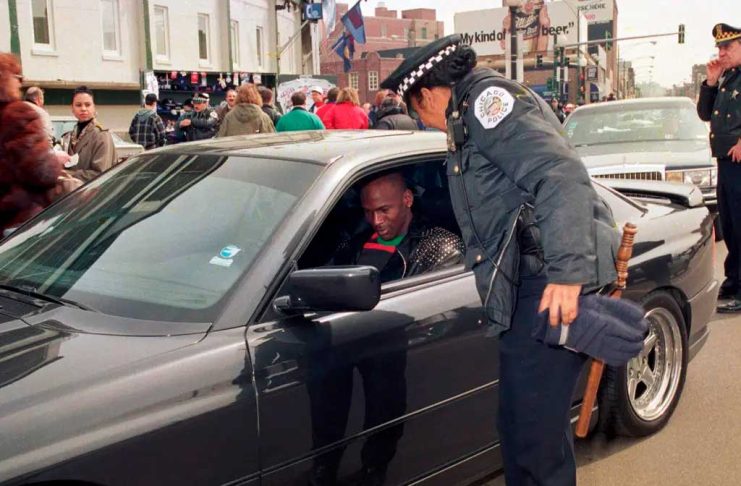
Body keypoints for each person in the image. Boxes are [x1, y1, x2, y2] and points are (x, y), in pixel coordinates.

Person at [381, 34, 622, 485]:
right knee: (520, 427)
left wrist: (567, 274)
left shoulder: (487, 105)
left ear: (428, 94)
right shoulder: (466, 113)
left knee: (534, 437)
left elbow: (559, 175)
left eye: (418, 112)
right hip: (526, 280)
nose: (424, 122)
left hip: (545, 281)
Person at [331, 172, 464, 283]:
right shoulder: (353, 242)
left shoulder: (439, 247)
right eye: (368, 211)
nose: (376, 221)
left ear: (407, 199)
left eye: (384, 210)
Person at [698, 23, 741, 312]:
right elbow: (704, 113)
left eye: (728, 47)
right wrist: (711, 83)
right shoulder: (727, 76)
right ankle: (733, 281)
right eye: (720, 48)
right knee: (731, 226)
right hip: (726, 161)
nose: (722, 53)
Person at [0, 53, 64, 236]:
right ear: (5, 79)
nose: (21, 83)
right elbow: (42, 171)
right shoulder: (17, 114)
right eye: (18, 77)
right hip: (24, 220)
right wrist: (55, 160)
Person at [63, 85, 117, 182]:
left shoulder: (101, 135)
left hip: (96, 190)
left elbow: (101, 174)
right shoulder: (70, 136)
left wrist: (68, 174)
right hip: (74, 189)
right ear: (72, 108)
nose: (83, 109)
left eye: (87, 105)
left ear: (94, 107)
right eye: (78, 105)